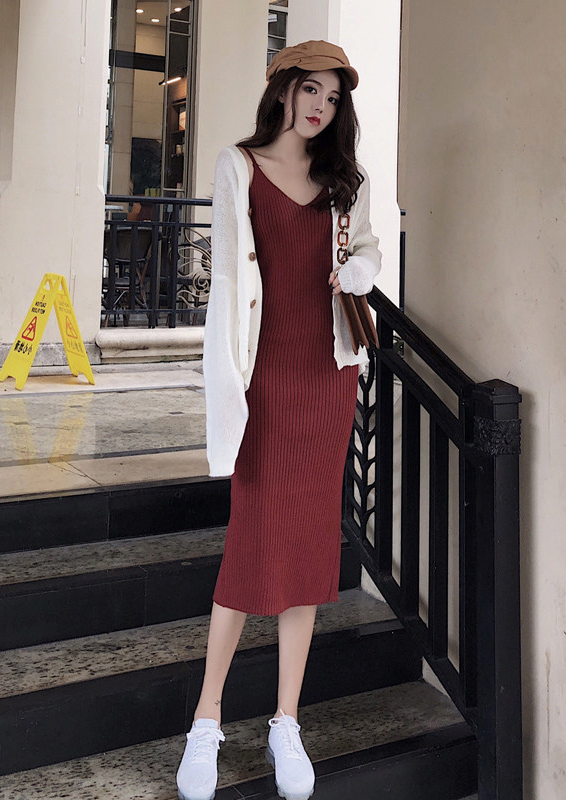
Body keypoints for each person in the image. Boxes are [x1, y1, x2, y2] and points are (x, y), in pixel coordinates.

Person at [176, 40, 381, 800]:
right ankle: (206, 721)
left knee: (306, 552)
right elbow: (228, 283)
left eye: (332, 95)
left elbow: (368, 249)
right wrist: (227, 383)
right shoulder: (239, 166)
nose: (320, 105)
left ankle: (286, 721)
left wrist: (361, 268)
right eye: (310, 89)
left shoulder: (345, 180)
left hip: (327, 380)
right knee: (250, 545)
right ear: (285, 90)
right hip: (264, 381)